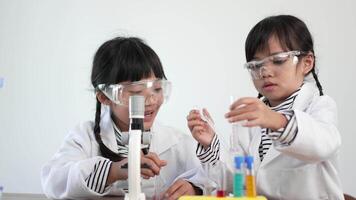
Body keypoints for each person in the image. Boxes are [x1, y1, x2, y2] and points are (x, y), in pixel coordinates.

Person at [187, 15, 344, 199]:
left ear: (307, 63)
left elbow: (322, 145)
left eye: (278, 60)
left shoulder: (319, 105)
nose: (265, 72)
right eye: (256, 65)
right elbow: (238, 181)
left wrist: (276, 120)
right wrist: (210, 142)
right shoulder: (253, 118)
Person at [41, 37, 204, 199]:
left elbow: (214, 175)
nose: (151, 100)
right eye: (136, 92)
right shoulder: (85, 137)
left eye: (157, 88)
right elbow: (54, 182)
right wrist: (113, 171)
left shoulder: (177, 142)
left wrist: (194, 188)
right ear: (104, 97)